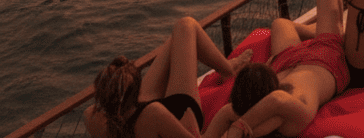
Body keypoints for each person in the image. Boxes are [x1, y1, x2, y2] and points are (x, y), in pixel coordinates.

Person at [202, 0, 350, 137]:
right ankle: (332, 32)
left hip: (284, 63)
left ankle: (320, 31)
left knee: (280, 24)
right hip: (325, 60)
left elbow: (225, 112)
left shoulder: (246, 114)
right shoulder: (294, 112)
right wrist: (241, 126)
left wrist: (237, 127)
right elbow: (277, 99)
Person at [86, 16, 251, 138]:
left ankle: (228, 67)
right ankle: (228, 70)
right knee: (186, 25)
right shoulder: (153, 113)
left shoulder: (91, 117)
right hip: (178, 116)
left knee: (180, 34)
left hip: (133, 119)